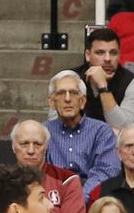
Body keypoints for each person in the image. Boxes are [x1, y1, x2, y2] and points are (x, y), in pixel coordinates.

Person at [46, 70, 122, 199]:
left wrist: (79, 197)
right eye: (61, 93)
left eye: (74, 93)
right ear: (52, 102)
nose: (68, 99)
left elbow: (108, 170)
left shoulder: (101, 131)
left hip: (91, 201)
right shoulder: (43, 132)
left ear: (82, 101)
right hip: (52, 202)